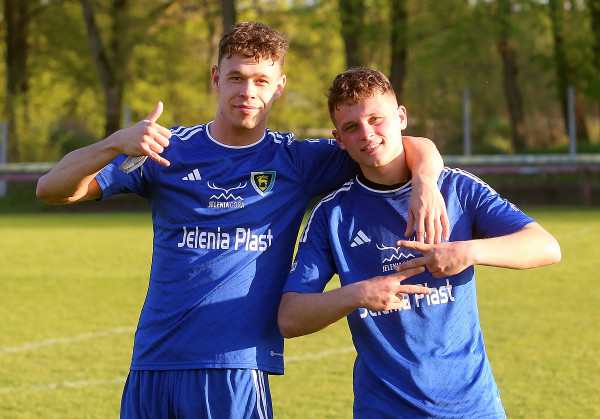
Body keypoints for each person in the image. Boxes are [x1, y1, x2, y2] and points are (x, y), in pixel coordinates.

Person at [36, 23, 448, 418]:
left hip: (235, 367)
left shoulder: (296, 161)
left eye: (261, 81)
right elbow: (52, 189)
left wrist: (426, 181)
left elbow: (397, 143)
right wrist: (114, 143)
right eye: (236, 78)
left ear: (279, 87)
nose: (248, 92)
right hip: (152, 362)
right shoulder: (164, 150)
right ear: (216, 78)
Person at [278, 67, 562, 418]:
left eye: (376, 119)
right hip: (383, 410)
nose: (367, 133)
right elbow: (290, 318)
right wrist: (358, 294)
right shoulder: (332, 214)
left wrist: (467, 251)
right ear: (339, 139)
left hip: (471, 408)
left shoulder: (457, 189)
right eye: (352, 127)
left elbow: (546, 246)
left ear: (401, 117)